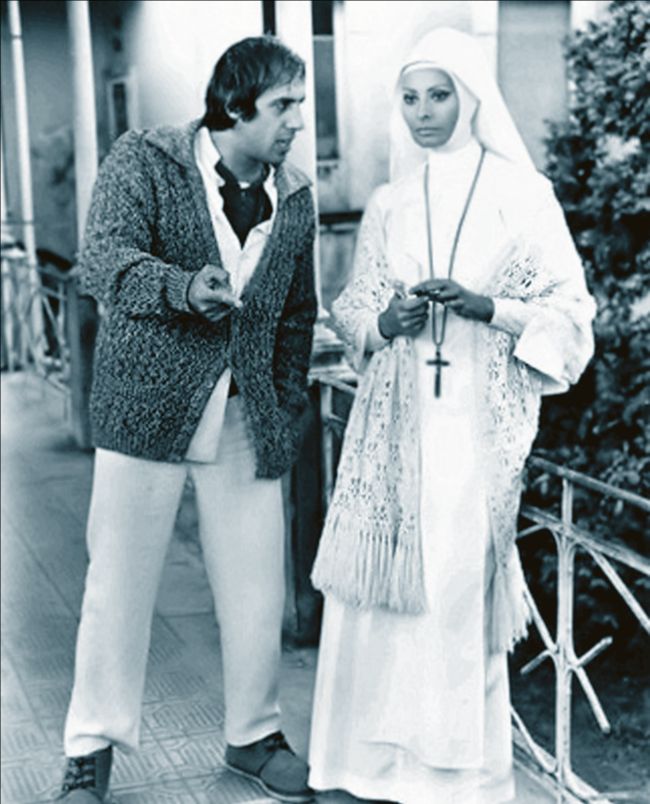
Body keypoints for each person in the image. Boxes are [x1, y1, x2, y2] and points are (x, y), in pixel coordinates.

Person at [309, 27, 596, 804]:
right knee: (380, 597)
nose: (423, 112)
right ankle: (364, 769)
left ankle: (457, 779)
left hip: (474, 438)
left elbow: (572, 317)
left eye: (439, 95)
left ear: (470, 99)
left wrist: (488, 307)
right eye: (409, 97)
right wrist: (386, 322)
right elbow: (355, 306)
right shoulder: (390, 201)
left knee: (453, 593)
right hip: (394, 435)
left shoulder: (523, 195)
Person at [58, 36, 317, 804]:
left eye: (300, 105)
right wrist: (179, 287)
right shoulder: (146, 160)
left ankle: (254, 737)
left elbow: (297, 314)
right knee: (118, 585)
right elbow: (101, 259)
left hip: (245, 416)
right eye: (283, 106)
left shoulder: (296, 196)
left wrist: (284, 407)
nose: (297, 122)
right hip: (145, 411)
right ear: (236, 106)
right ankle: (89, 751)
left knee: (257, 588)